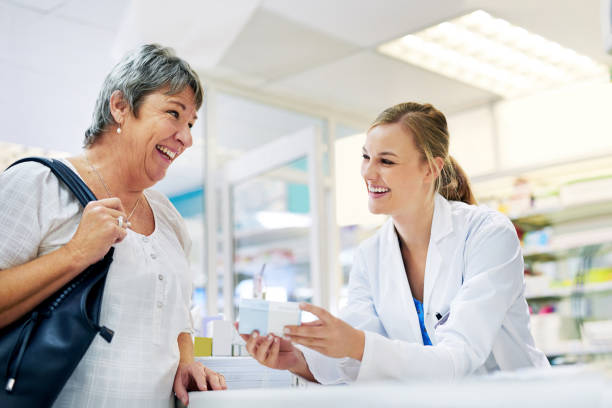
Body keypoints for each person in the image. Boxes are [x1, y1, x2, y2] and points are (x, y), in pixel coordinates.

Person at [239, 102, 550, 383]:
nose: (368, 173)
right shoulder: (370, 254)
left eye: (386, 161)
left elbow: (458, 358)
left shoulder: (487, 234)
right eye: (366, 157)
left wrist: (357, 343)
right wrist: (298, 359)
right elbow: (355, 360)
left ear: (430, 168)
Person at [0, 44, 225, 406]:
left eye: (191, 124)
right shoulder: (37, 184)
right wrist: (75, 254)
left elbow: (179, 316)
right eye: (173, 113)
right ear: (120, 107)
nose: (186, 138)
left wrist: (186, 361)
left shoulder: (169, 218)